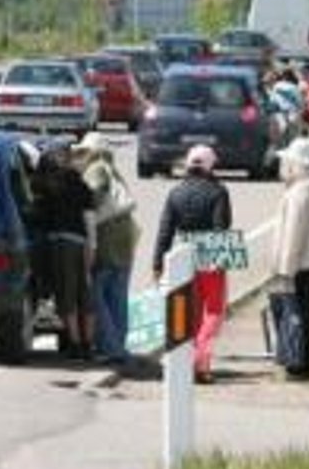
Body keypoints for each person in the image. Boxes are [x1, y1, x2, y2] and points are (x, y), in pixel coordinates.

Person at [152, 145, 232, 384]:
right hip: (210, 256)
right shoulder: (218, 192)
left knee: (190, 313)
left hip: (182, 257)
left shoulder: (176, 193)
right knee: (213, 311)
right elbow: (222, 227)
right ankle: (201, 363)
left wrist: (157, 264)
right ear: (211, 166)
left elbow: (165, 231)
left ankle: (185, 361)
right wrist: (222, 259)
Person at [270, 137, 309, 381]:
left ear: (296, 164)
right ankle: (306, 361)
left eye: (287, 161)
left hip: (296, 263)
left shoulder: (299, 193)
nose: (284, 165)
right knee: (307, 312)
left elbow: (292, 235)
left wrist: (285, 271)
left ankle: (297, 363)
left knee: (294, 313)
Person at [73, 132, 139, 364]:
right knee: (117, 297)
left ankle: (111, 348)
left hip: (107, 238)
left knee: (97, 295)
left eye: (82, 152)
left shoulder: (97, 169)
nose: (79, 157)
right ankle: (118, 346)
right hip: (124, 239)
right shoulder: (115, 171)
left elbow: (94, 197)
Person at [36, 143, 97, 360]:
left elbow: (39, 215)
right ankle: (88, 345)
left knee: (67, 295)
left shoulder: (46, 184)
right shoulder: (81, 184)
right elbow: (89, 218)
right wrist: (92, 246)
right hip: (81, 242)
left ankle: (74, 343)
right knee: (86, 294)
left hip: (59, 244)